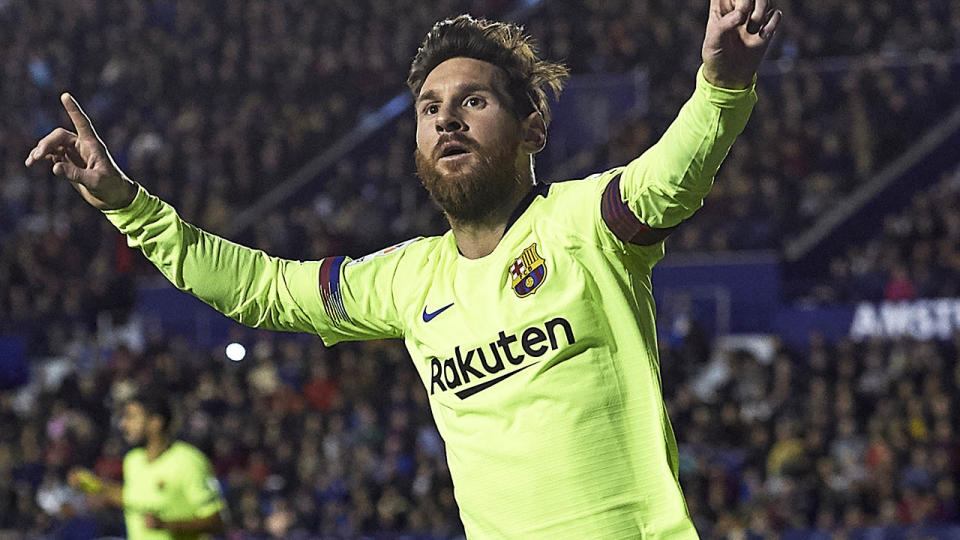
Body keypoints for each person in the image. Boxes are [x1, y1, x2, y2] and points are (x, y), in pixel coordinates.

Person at [28, 1, 781, 536]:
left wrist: (720, 86)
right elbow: (259, 288)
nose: (446, 118)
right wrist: (127, 204)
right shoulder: (405, 280)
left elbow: (670, 177)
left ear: (534, 127)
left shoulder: (585, 222)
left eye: (473, 100)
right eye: (428, 108)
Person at [67, 393, 226, 539]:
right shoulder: (133, 460)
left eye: (131, 417)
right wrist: (90, 484)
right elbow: (132, 497)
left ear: (155, 422)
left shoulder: (189, 461)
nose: (123, 424)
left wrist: (167, 525)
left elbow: (217, 522)